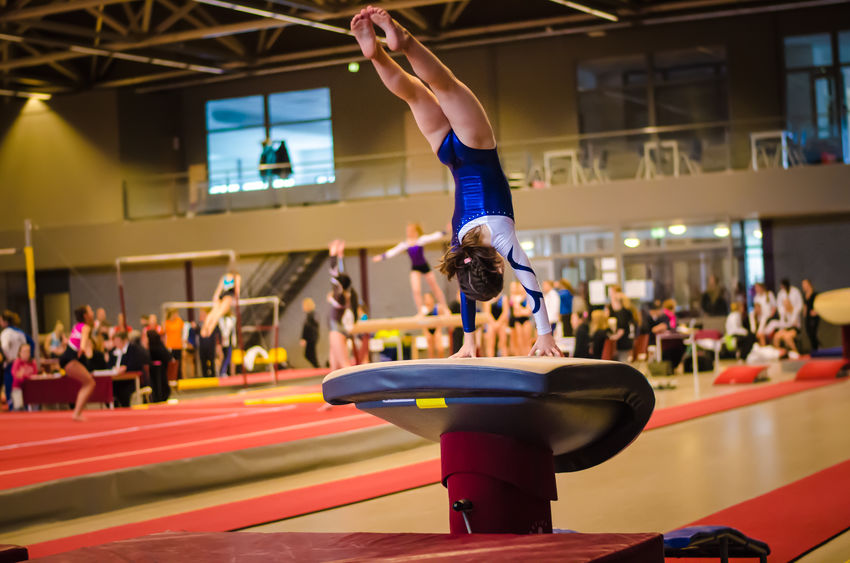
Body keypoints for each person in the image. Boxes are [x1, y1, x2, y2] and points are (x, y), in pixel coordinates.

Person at [351, 6, 560, 359]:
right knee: (414, 94)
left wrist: (545, 335)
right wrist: (468, 342)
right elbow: (465, 288)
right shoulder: (459, 246)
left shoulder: (501, 240)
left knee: (442, 83)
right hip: (448, 154)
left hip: (475, 145)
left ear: (496, 265)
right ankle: (376, 57)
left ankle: (405, 41)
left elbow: (531, 283)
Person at [373, 223, 449, 315]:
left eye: (410, 230)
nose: (408, 232)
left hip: (424, 266)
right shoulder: (405, 244)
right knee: (416, 290)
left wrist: (446, 231)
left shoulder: (421, 240)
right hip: (415, 268)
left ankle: (445, 308)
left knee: (435, 287)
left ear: (415, 232)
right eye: (407, 231)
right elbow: (394, 251)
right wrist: (382, 257)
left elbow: (433, 236)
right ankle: (420, 311)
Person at [57, 306, 97, 421]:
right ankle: (77, 413)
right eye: (91, 311)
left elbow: (73, 340)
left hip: (66, 357)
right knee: (89, 383)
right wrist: (83, 347)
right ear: (86, 315)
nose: (92, 313)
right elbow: (83, 338)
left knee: (88, 383)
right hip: (70, 359)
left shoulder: (76, 326)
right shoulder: (85, 327)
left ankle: (77, 412)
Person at [327, 239, 358, 370]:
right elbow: (341, 275)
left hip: (336, 330)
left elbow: (334, 272)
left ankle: (355, 389)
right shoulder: (346, 292)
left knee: (343, 366)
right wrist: (340, 256)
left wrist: (333, 254)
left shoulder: (339, 294)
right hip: (338, 328)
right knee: (335, 368)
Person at [109, 331, 150, 407]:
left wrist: (126, 368)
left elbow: (136, 365)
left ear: (124, 341)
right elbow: (109, 365)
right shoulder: (113, 351)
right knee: (108, 389)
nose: (116, 343)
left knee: (124, 392)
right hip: (115, 380)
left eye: (118, 341)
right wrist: (113, 368)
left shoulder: (133, 349)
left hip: (130, 380)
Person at [1, 311, 29, 411]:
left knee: (11, 387)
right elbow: (26, 345)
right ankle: (25, 407)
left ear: (5, 321)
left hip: (11, 363)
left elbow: (4, 347)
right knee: (22, 387)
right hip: (21, 362)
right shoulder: (20, 332)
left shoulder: (6, 333)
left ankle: (13, 407)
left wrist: (7, 358)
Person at [769, 278, 804, 357]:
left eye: (786, 303)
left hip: (793, 328)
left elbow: (793, 323)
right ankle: (778, 354)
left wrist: (791, 311)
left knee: (787, 337)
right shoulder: (783, 312)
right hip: (785, 327)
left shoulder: (795, 310)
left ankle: (796, 353)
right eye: (784, 303)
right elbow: (780, 308)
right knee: (776, 336)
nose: (785, 304)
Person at [201, 269, 241, 338]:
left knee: (212, 313)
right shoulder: (237, 276)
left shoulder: (225, 277)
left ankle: (203, 330)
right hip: (228, 296)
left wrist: (215, 299)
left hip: (221, 296)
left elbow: (219, 290)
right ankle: (209, 330)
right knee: (218, 314)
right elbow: (237, 289)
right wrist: (236, 299)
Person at [146, 329, 172, 402]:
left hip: (159, 371)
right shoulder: (159, 344)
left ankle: (157, 396)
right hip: (161, 371)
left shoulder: (154, 347)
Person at [10, 343, 38, 411]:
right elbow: (16, 375)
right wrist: (25, 376)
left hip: (30, 387)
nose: (26, 353)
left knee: (35, 403)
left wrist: (23, 376)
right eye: (24, 351)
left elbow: (35, 375)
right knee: (19, 407)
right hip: (18, 387)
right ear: (20, 353)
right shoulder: (17, 362)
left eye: (28, 351)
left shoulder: (32, 362)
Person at [483, 292, 508, 358]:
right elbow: (487, 313)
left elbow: (505, 312)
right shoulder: (487, 298)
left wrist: (498, 323)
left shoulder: (504, 298)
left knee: (503, 343)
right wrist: (494, 323)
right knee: (490, 343)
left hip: (501, 323)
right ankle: (490, 359)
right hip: (491, 322)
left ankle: (505, 360)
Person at [421, 292, 445, 358]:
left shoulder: (438, 307)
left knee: (440, 348)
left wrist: (438, 331)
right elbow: (423, 324)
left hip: (437, 328)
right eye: (425, 299)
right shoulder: (423, 309)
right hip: (428, 330)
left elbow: (440, 321)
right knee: (430, 349)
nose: (427, 300)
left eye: (428, 298)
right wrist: (426, 333)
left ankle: (441, 362)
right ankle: (431, 364)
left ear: (432, 299)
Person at [197, 309, 220, 378]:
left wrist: (219, 344)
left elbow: (218, 334)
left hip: (211, 346)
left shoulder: (212, 324)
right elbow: (197, 333)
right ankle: (205, 376)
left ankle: (213, 375)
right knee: (203, 362)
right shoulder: (199, 324)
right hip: (202, 346)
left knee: (211, 361)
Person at [164, 309, 185, 380]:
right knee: (171, 365)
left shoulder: (179, 321)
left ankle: (179, 380)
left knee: (179, 365)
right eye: (175, 314)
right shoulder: (166, 323)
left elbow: (183, 331)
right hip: (170, 346)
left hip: (178, 346)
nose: (176, 315)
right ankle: (172, 380)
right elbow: (163, 333)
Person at [300, 298, 320, 368]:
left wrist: (304, 338)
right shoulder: (312, 315)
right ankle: (317, 366)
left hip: (311, 337)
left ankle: (317, 366)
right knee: (311, 354)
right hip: (313, 336)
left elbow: (307, 327)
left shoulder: (311, 315)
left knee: (309, 354)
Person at [802, 278, 819, 352]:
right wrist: (804, 313)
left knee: (813, 332)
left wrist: (816, 311)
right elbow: (805, 305)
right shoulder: (805, 295)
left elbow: (817, 304)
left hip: (814, 316)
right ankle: (814, 348)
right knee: (809, 332)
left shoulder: (815, 294)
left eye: (805, 284)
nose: (803, 286)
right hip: (808, 317)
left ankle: (816, 348)